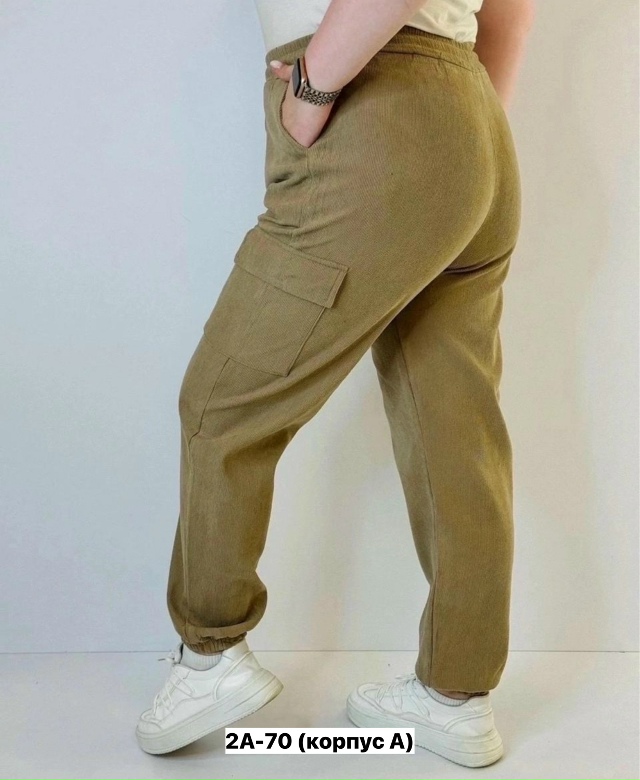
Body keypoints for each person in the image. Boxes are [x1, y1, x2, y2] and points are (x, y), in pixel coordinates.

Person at [135, 0, 535, 767]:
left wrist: (313, 86)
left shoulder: (335, 89)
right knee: (454, 424)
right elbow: (514, 8)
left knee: (223, 404)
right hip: (472, 117)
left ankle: (211, 656)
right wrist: (466, 123)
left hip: (370, 102)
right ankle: (455, 694)